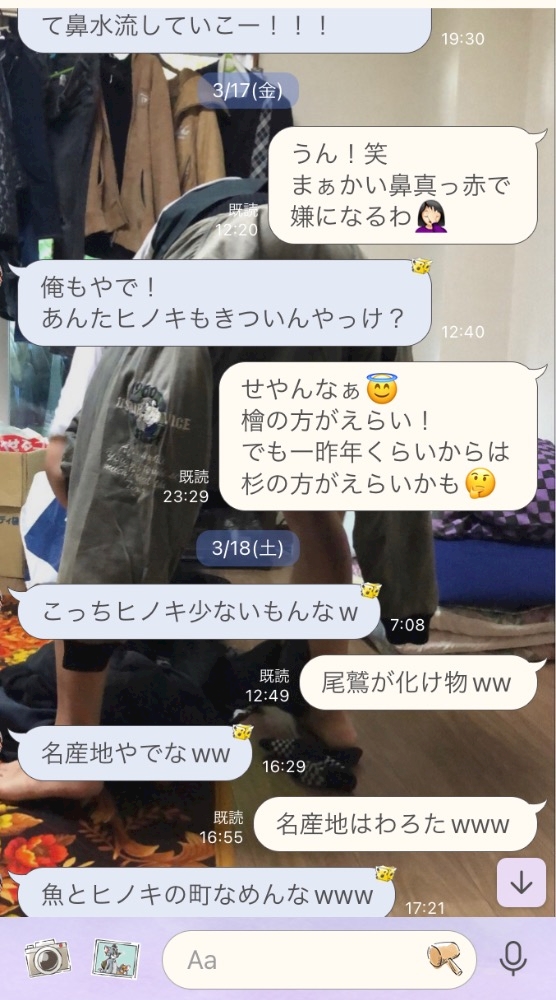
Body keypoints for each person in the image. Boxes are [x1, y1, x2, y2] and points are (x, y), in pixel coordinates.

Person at [0, 181, 437, 802]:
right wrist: (404, 597)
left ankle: (74, 756)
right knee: (316, 512)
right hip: (351, 279)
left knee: (101, 506)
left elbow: (67, 460)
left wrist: (108, 547)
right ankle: (329, 712)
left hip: (217, 278)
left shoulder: (156, 259)